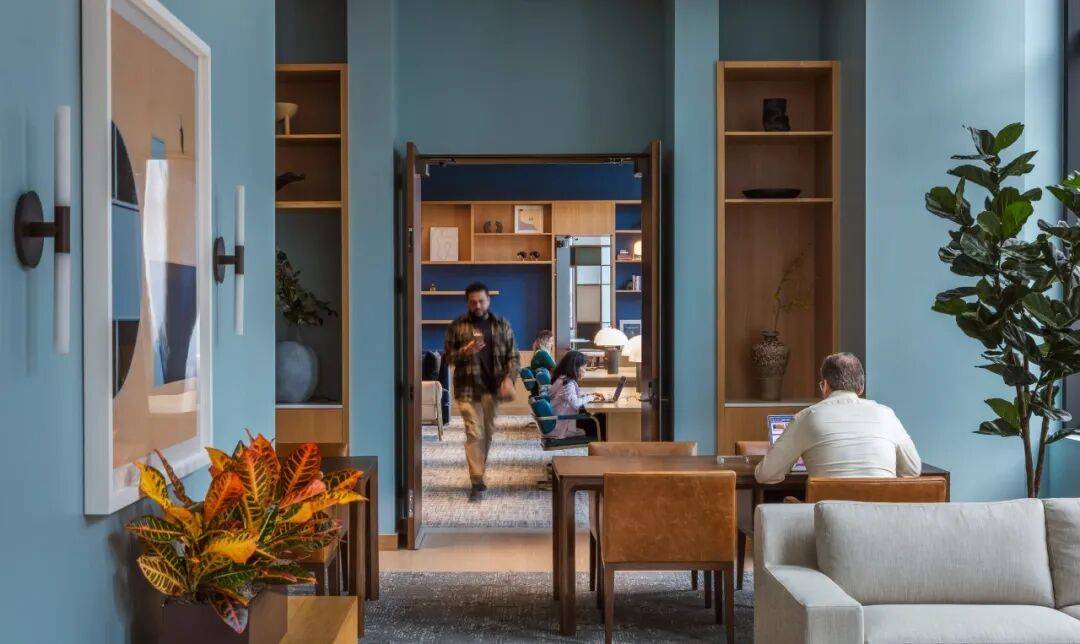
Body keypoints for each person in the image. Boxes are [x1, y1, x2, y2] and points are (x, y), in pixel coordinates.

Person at [755, 352, 922, 484]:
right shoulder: (887, 414)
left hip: (830, 516)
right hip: (881, 514)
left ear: (825, 385)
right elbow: (913, 470)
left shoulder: (807, 417)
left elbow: (766, 474)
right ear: (861, 387)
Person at [443, 282, 520, 502]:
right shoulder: (457, 326)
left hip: (493, 390)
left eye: (481, 301)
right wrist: (466, 350)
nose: (477, 305)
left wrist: (509, 379)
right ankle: (476, 481)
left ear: (488, 300)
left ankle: (478, 472)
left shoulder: (501, 325)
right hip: (467, 389)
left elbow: (513, 357)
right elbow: (448, 358)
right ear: (467, 302)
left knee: (486, 434)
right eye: (473, 302)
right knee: (474, 433)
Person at [546, 350, 603, 440]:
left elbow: (570, 398)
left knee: (599, 416)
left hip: (563, 419)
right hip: (565, 423)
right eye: (584, 368)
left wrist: (588, 396)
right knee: (602, 419)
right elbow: (575, 403)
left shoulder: (562, 379)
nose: (585, 371)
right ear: (575, 368)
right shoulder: (567, 384)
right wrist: (591, 397)